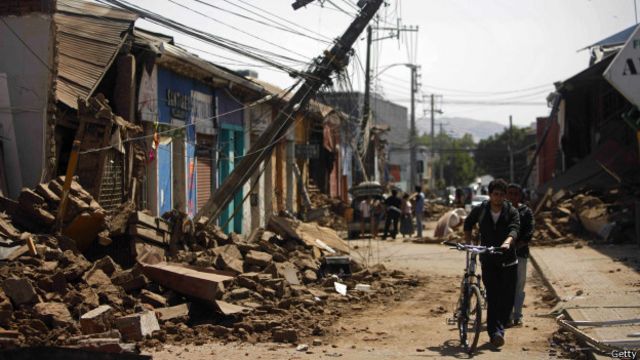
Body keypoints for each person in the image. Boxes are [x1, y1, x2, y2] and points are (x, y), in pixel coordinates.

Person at [463, 179, 520, 348]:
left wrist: (507, 242)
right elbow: (468, 223)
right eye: (496, 194)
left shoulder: (511, 211)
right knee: (493, 296)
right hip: (488, 259)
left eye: (502, 194)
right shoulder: (481, 210)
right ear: (490, 195)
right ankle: (496, 333)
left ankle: (499, 327)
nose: (498, 197)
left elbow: (515, 228)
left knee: (507, 298)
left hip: (508, 260)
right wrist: (469, 244)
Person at [506, 183, 534, 327]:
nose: (512, 196)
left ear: (520, 195)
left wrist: (518, 245)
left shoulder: (525, 211)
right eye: (510, 193)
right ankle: (507, 315)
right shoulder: (502, 211)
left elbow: (529, 232)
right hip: (503, 254)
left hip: (520, 254)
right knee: (505, 285)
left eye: (515, 194)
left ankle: (517, 314)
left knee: (519, 285)